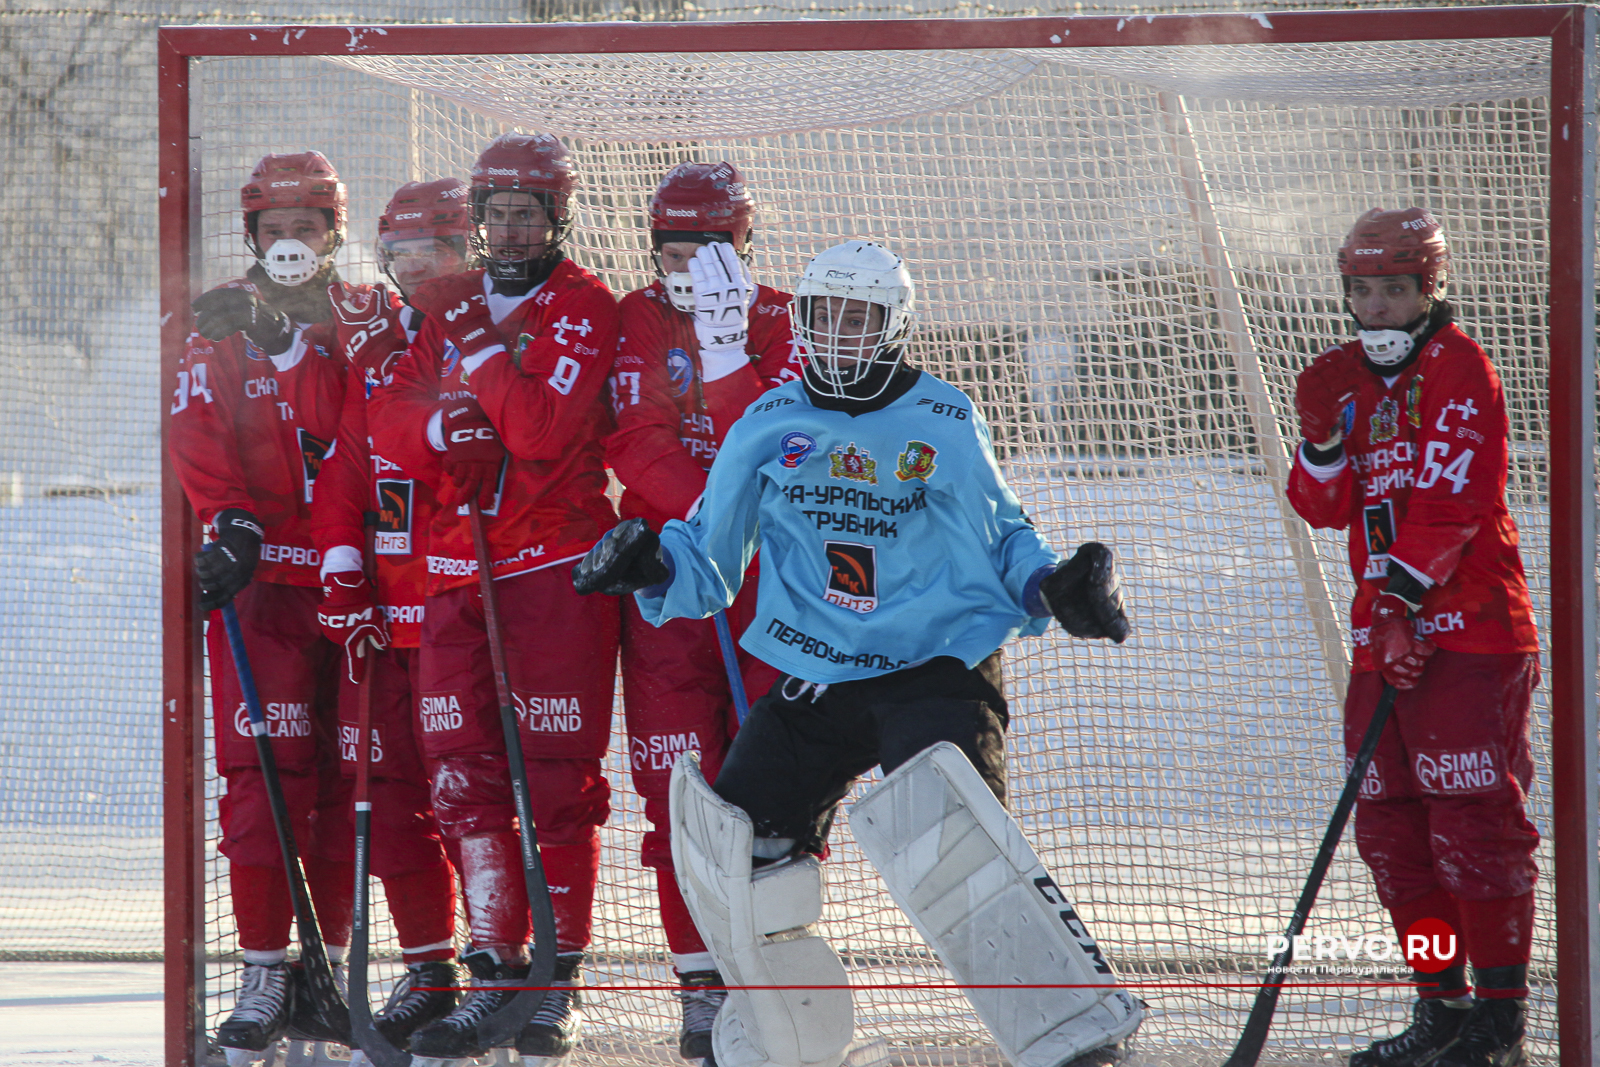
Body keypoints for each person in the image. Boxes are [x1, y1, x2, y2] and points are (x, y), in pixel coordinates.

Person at [574, 239, 1144, 1067]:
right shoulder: (769, 422)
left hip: (934, 665)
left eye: (859, 318)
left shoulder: (943, 418)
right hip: (821, 671)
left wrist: (1054, 585)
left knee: (949, 844)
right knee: (731, 845)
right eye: (824, 316)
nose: (839, 334)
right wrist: (652, 563)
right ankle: (780, 1041)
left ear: (895, 326)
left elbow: (1005, 534)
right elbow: (707, 555)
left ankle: (1078, 1037)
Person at [366, 132, 622, 1063]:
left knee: (555, 781)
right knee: (463, 780)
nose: (511, 229)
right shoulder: (446, 303)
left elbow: (541, 430)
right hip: (452, 572)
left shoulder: (584, 305)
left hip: (553, 570)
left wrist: (476, 355)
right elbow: (386, 421)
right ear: (475, 220)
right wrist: (444, 419)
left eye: (529, 212)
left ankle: (556, 984)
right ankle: (493, 973)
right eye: (496, 212)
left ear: (558, 216)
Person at [1288, 208, 1540, 1067]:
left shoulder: (1460, 366)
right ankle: (1442, 1004)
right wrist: (1321, 442)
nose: (1377, 307)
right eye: (1362, 291)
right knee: (1391, 833)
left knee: (1471, 823)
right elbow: (1323, 506)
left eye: (1395, 289)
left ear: (1429, 287)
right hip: (1382, 635)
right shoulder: (1343, 378)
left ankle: (1499, 1022)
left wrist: (1399, 602)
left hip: (1468, 632)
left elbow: (1452, 501)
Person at [603, 160, 800, 1060]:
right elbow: (634, 435)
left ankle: (778, 974)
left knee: (779, 795)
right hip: (672, 581)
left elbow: (786, 438)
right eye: (672, 248)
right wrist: (704, 523)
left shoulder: (787, 316)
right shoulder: (636, 317)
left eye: (707, 246)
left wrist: (737, 524)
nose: (687, 264)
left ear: (742, 244)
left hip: (773, 585)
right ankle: (698, 982)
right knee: (680, 792)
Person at [169, 151, 358, 1058]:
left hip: (360, 589)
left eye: (307, 229)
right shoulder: (214, 321)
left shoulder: (368, 315)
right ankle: (263, 967)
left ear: (334, 234)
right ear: (251, 237)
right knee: (263, 778)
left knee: (356, 783)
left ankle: (336, 969)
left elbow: (362, 426)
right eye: (274, 231)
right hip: (264, 590)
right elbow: (194, 425)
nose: (291, 244)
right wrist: (231, 519)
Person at [309, 178, 477, 1048]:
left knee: (472, 797)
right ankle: (429, 964)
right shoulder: (377, 350)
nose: (418, 273)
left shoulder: (488, 340)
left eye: (435, 254)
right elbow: (342, 467)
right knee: (390, 794)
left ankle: (504, 964)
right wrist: (342, 569)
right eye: (404, 258)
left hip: (457, 609)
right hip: (383, 618)